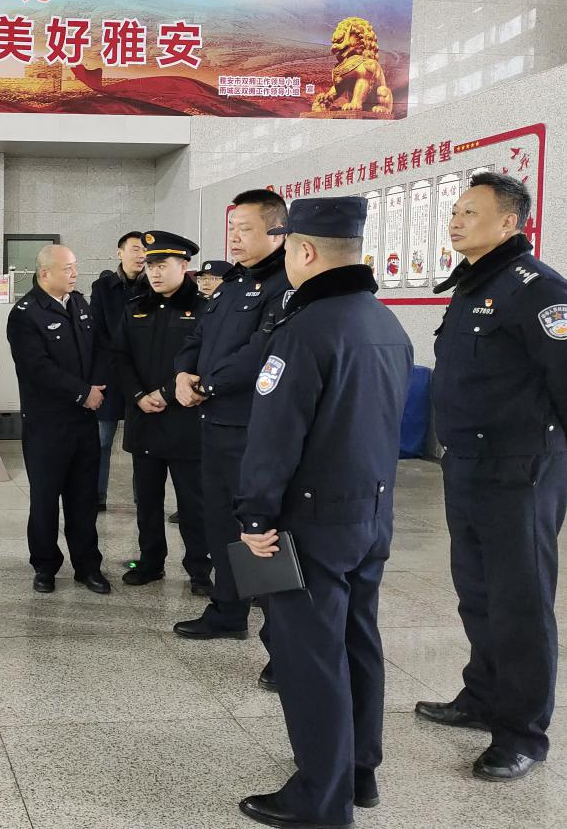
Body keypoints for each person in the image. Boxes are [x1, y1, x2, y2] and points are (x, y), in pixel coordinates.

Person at [234, 196, 412, 829]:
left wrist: (255, 519)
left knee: (309, 656)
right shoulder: (386, 323)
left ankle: (321, 797)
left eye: (287, 248)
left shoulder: (304, 330)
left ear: (304, 251)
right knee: (359, 640)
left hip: (309, 522)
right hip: (371, 513)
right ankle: (359, 772)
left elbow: (274, 438)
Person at [414, 172, 567, 782]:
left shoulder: (538, 289)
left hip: (519, 470)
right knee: (477, 591)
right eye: (454, 210)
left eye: (470, 212)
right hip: (467, 464)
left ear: (509, 223)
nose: (456, 221)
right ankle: (482, 696)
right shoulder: (473, 284)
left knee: (520, 603)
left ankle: (522, 733)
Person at [172, 190, 289, 675]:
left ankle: (283, 648)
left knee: (259, 532)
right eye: (232, 228)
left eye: (246, 229)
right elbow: (197, 337)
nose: (235, 238)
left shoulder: (286, 284)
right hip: (214, 424)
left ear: (277, 232)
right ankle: (227, 609)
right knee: (220, 523)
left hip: (254, 429)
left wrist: (207, 385)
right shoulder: (231, 284)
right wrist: (183, 373)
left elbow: (263, 351)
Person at [6, 244, 111, 595]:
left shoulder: (79, 304)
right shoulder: (25, 314)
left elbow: (99, 349)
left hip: (84, 421)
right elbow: (37, 368)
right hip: (46, 424)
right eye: (67, 268)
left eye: (75, 266)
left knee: (84, 499)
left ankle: (88, 566)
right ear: (45, 273)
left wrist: (96, 388)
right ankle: (45, 566)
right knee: (45, 500)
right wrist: (83, 392)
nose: (74, 273)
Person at [112, 231, 210, 594]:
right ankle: (150, 562)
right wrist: (138, 395)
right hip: (145, 419)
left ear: (184, 266)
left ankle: (200, 569)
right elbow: (119, 357)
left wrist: (166, 393)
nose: (153, 272)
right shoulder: (136, 307)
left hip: (185, 419)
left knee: (193, 502)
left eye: (162, 265)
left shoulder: (204, 309)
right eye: (150, 265)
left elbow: (205, 361)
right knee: (147, 501)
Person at [89, 231, 148, 511]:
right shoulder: (102, 287)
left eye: (145, 250)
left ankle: (143, 498)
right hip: (109, 375)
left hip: (143, 375)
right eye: (135, 249)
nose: (141, 255)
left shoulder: (152, 286)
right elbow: (97, 331)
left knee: (142, 443)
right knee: (102, 440)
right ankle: (97, 496)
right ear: (119, 252)